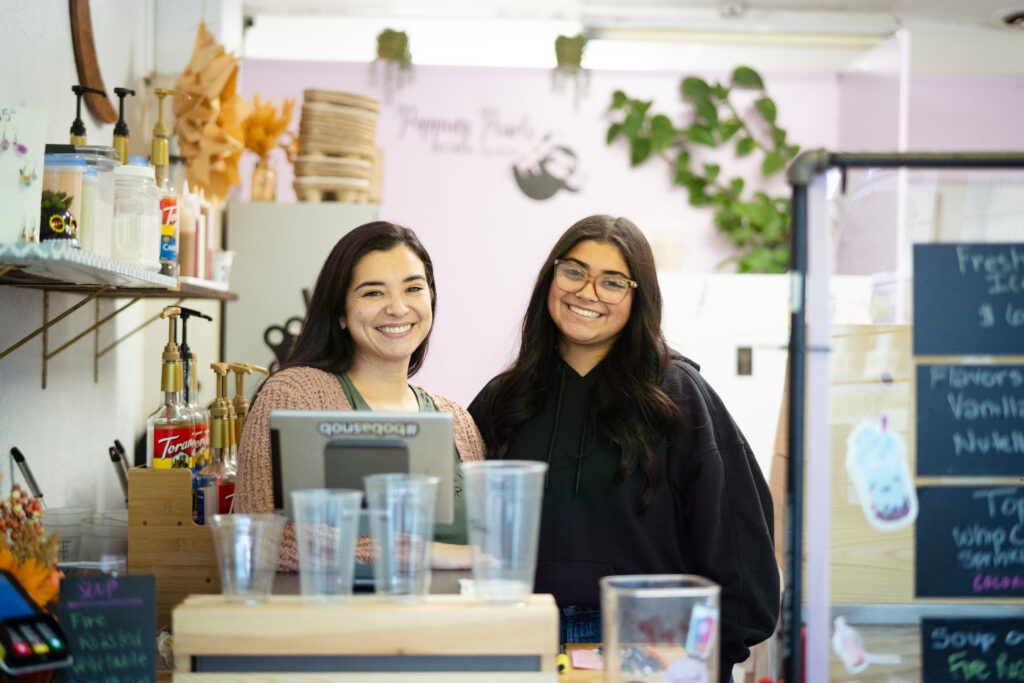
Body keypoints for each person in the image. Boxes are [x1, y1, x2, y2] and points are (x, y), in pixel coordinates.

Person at [468, 215, 779, 681]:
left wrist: (708, 657)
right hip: (524, 642)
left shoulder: (679, 396)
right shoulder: (503, 399)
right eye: (573, 271)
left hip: (653, 649)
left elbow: (737, 541)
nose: (587, 292)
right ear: (550, 278)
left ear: (639, 298)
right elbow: (461, 534)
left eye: (612, 282)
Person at [236, 221, 485, 571]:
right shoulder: (296, 394)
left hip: (464, 623)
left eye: (413, 288)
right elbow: (261, 538)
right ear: (340, 312)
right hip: (343, 625)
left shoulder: (456, 418)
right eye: (373, 293)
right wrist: (421, 553)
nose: (398, 308)